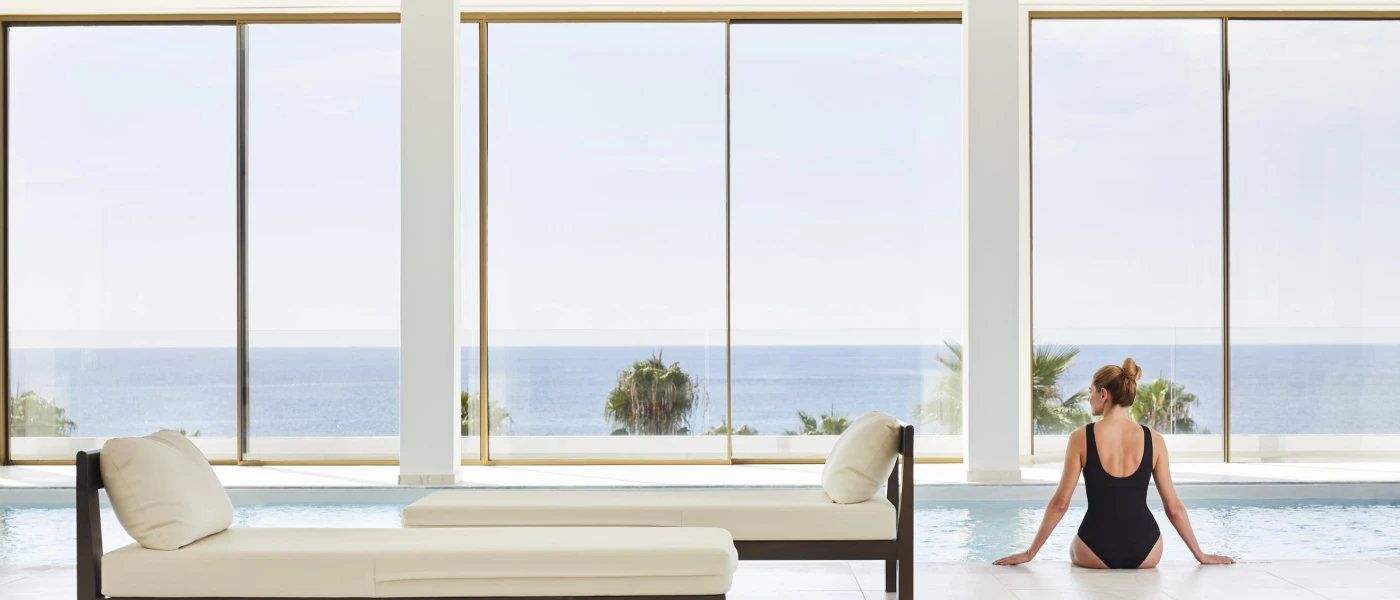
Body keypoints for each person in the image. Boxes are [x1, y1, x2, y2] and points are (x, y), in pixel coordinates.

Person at [993, 358, 1234, 569]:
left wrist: (1030, 553)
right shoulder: (1155, 440)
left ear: (1104, 394)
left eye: (1091, 391)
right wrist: (1200, 555)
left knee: (1072, 549)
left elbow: (1060, 504)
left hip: (1094, 550)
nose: (1089, 398)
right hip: (1147, 551)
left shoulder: (1080, 438)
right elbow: (1173, 508)